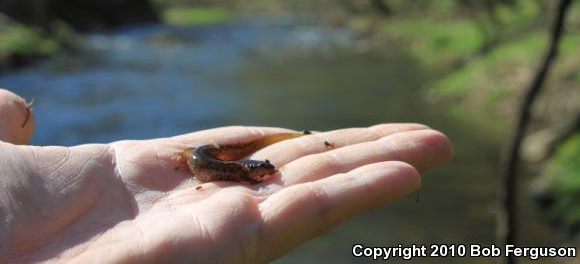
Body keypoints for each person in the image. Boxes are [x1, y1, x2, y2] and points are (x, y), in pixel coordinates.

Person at [0, 88, 453, 263]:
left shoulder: (239, 171)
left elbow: (243, 171)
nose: (267, 175)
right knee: (205, 160)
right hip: (200, 157)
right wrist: (205, 167)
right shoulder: (230, 171)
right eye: (263, 170)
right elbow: (227, 171)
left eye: (263, 171)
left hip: (208, 159)